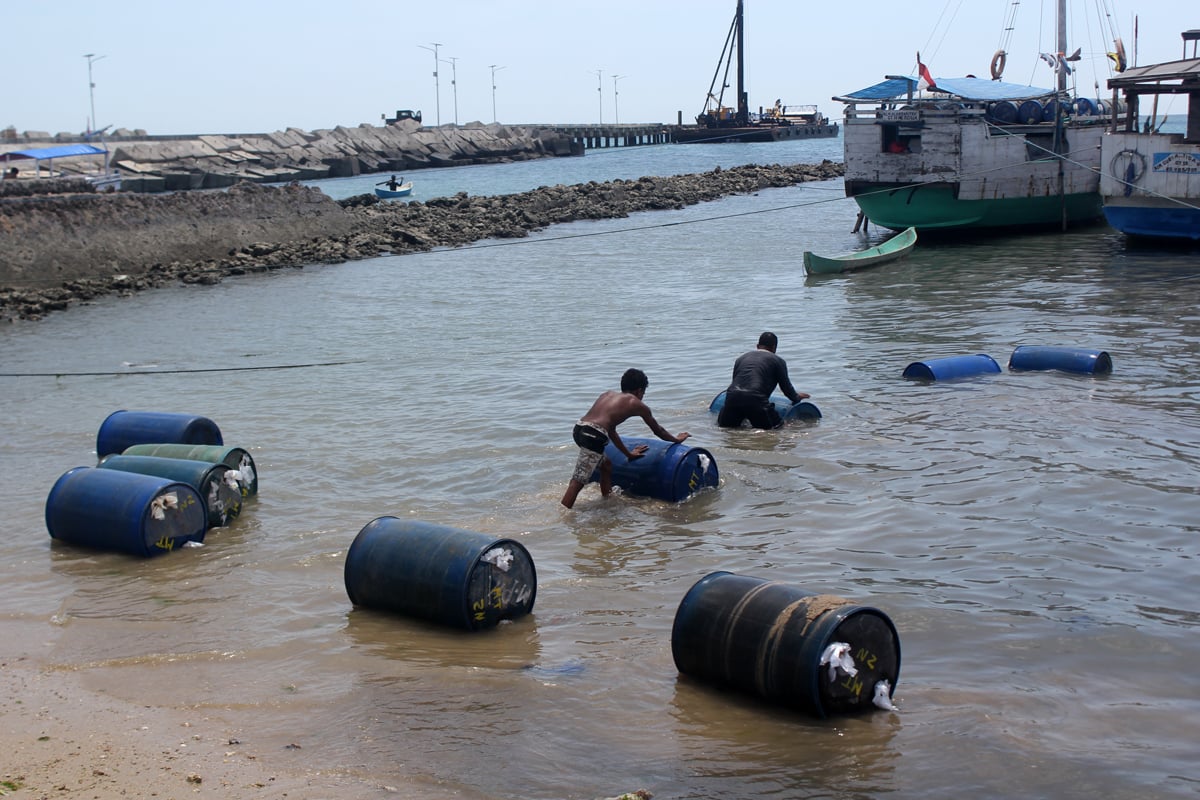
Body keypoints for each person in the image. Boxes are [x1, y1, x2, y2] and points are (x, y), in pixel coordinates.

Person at [561, 368, 690, 509]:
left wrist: (628, 454)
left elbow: (611, 431)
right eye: (643, 393)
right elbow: (658, 431)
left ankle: (606, 501)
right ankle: (563, 518)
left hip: (580, 429)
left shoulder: (607, 395)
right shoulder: (637, 404)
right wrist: (677, 440)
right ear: (639, 391)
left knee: (606, 465)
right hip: (594, 435)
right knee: (578, 481)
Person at [717, 332, 810, 429]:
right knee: (778, 429)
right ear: (774, 348)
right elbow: (786, 388)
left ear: (757, 346)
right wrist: (797, 397)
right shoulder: (778, 361)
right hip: (756, 400)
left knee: (728, 429)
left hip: (732, 398)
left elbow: (736, 382)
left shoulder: (741, 358)